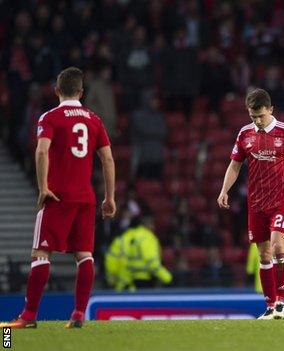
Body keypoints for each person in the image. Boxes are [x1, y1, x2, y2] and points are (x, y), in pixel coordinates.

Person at [0, 67, 116, 329]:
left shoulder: (50, 117)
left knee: (40, 253)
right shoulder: (94, 119)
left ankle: (28, 316)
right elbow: (107, 158)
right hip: (85, 197)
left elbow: (42, 151)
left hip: (58, 195)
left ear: (56, 91)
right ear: (81, 92)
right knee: (84, 255)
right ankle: (77, 315)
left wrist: (42, 187)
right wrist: (109, 197)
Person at [217, 88, 284, 320]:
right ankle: (269, 306)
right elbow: (235, 165)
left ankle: (280, 304)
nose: (257, 120)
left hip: (282, 202)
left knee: (278, 247)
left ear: (271, 110)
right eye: (253, 116)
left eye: (261, 116)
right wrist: (225, 190)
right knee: (263, 255)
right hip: (256, 205)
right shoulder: (245, 134)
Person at [105, 215, 172, 291]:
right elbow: (152, 262)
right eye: (152, 224)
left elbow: (111, 261)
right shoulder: (147, 237)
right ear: (148, 225)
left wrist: (111, 281)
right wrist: (168, 278)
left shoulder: (122, 238)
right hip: (143, 283)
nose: (153, 227)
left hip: (122, 285)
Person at [247, 229, 284, 293]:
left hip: (263, 288)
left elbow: (251, 267)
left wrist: (250, 274)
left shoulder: (259, 235)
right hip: (283, 289)